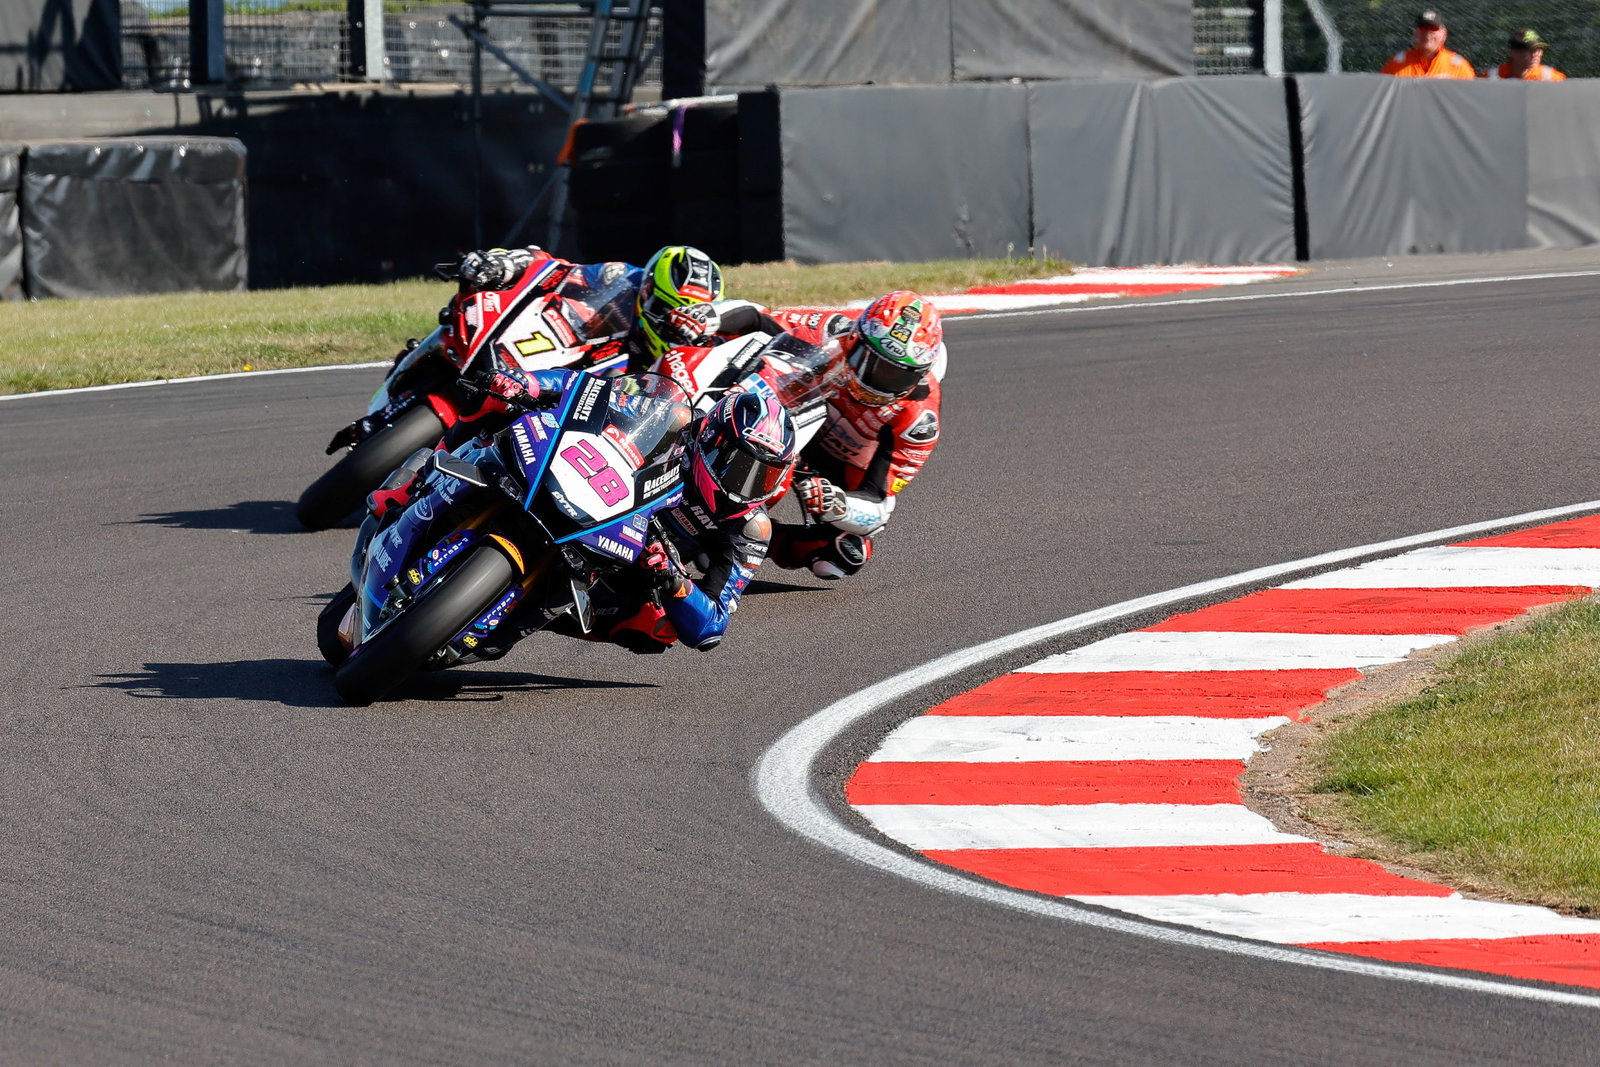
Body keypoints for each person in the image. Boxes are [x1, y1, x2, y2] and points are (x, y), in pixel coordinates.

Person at [763, 290, 946, 582]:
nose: (873, 381)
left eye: (893, 375)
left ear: (919, 375)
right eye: (867, 360)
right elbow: (758, 318)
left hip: (835, 471)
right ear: (855, 338)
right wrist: (714, 319)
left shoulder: (920, 419)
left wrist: (836, 502)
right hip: (786, 423)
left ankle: (753, 540)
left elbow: (878, 502)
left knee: (843, 554)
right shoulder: (833, 329)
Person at [442, 243, 727, 374]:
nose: (671, 321)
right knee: (482, 283)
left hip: (561, 393)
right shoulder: (619, 278)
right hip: (546, 346)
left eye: (682, 316)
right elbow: (558, 270)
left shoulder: (688, 351)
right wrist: (509, 263)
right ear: (649, 290)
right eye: (665, 309)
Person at [1380, 10, 1475, 79]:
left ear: (1444, 34)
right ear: (1415, 33)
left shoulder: (1459, 66)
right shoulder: (1397, 63)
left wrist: (1450, 85)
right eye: (1423, 28)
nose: (1427, 33)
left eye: (1433, 29)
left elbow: (1471, 99)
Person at [1486, 29, 1566, 81]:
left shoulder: (1553, 78)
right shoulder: (1490, 78)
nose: (1536, 54)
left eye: (1539, 49)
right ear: (1513, 53)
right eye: (1531, 50)